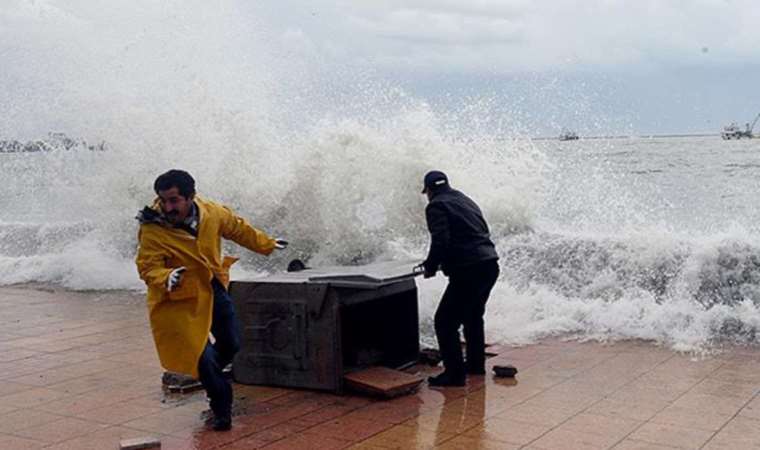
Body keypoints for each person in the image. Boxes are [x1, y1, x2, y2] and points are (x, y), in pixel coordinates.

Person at [135, 169, 287, 431]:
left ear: (190, 197)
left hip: (212, 287)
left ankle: (210, 375)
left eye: (174, 200)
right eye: (163, 200)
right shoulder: (152, 228)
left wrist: (267, 244)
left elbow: (238, 229)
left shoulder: (211, 212)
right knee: (202, 358)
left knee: (231, 342)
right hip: (177, 300)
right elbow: (147, 267)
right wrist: (166, 276)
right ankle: (221, 407)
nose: (167, 207)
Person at [417, 170, 499, 387]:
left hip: (469, 270)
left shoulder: (436, 206)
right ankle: (475, 365)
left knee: (444, 322)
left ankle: (454, 375)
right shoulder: (464, 199)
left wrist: (431, 266)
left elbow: (441, 240)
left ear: (429, 190)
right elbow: (480, 231)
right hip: (489, 264)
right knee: (473, 316)